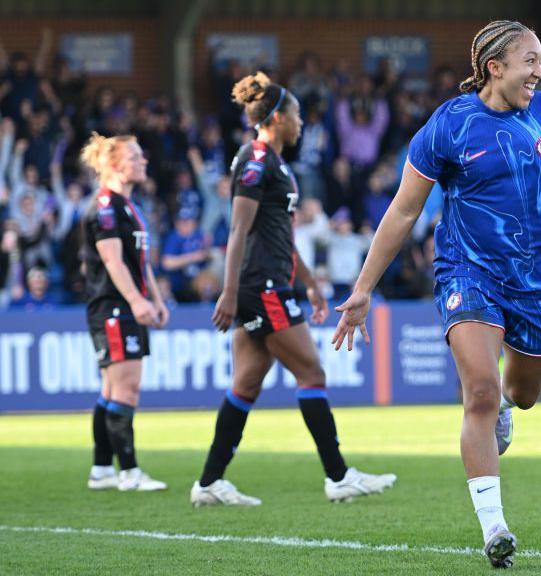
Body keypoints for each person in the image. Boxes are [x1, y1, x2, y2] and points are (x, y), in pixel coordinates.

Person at [331, 21, 541, 568]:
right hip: (467, 272)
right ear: (495, 67)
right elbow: (404, 209)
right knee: (480, 391)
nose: (540, 71)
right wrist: (364, 288)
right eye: (529, 61)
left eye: (540, 61)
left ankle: (508, 405)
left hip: (537, 278)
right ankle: (494, 527)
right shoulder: (450, 125)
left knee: (522, 393)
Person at [189, 72, 396, 508]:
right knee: (312, 374)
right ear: (278, 117)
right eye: (297, 115)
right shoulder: (256, 159)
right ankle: (338, 476)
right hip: (261, 287)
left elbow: (278, 234)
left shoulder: (276, 164)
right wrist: (229, 292)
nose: (301, 123)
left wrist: (309, 283)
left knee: (246, 385)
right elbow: (238, 230)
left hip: (273, 282)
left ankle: (209, 482)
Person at [80, 132, 170, 492]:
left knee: (112, 387)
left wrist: (157, 299)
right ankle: (129, 472)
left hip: (125, 304)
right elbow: (112, 260)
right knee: (127, 389)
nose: (143, 160)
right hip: (113, 307)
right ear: (114, 165)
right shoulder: (105, 205)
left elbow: (139, 262)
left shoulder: (127, 206)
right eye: (135, 156)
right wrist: (135, 300)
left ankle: (102, 469)